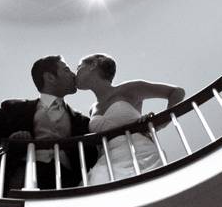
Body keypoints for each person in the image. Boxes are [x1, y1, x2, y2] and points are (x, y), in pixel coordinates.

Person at [0, 55, 98, 196]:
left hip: (66, 182)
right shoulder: (15, 108)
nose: (73, 74)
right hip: (18, 176)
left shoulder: (81, 121)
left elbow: (91, 155)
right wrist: (9, 142)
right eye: (66, 70)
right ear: (50, 77)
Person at [76, 53, 185, 185]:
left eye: (79, 67)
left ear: (93, 65)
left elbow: (176, 92)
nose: (76, 72)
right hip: (107, 161)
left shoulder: (129, 88)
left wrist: (159, 124)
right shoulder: (93, 109)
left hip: (139, 152)